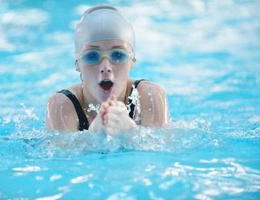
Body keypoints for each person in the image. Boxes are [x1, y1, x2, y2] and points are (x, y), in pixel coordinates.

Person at [46, 5, 169, 136]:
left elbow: (163, 151)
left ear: (132, 61)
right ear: (78, 64)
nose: (106, 67)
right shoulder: (61, 105)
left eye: (118, 55)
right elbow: (61, 154)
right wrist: (94, 135)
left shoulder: (150, 95)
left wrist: (130, 131)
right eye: (92, 56)